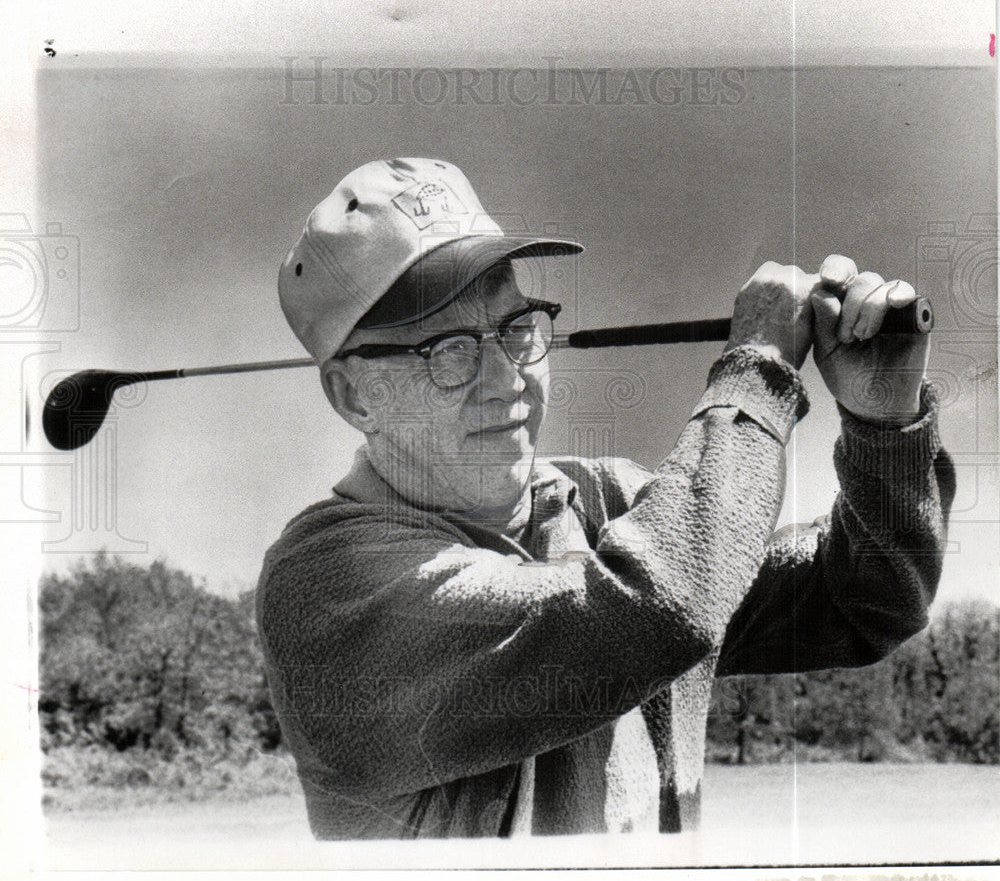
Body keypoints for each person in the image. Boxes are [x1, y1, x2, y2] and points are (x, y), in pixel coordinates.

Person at [257, 157, 954, 840]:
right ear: (353, 394)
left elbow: (869, 599)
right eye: (446, 350)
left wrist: (884, 427)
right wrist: (759, 371)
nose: (506, 379)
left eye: (516, 329)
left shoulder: (607, 501)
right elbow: (654, 606)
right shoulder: (323, 582)